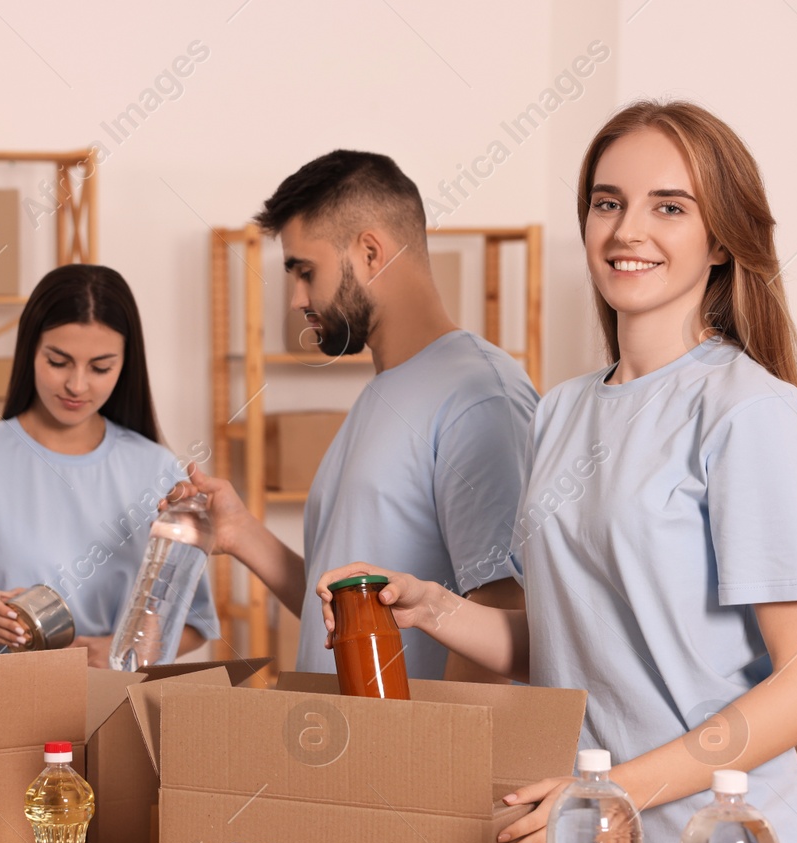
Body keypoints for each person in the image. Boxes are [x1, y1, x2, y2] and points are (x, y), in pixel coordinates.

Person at [317, 101, 797, 843]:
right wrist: (435, 606)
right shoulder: (561, 411)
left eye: (668, 207)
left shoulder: (747, 414)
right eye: (608, 202)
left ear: (722, 240)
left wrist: (621, 794)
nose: (628, 229)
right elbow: (568, 639)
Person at [184, 150, 538, 682]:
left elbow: (502, 611)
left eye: (306, 272)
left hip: (406, 760)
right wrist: (240, 535)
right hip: (344, 753)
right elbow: (347, 612)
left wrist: (441, 764)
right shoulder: (384, 391)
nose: (298, 298)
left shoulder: (479, 396)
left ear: (371, 252)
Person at [0, 264, 218, 661]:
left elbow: (194, 624)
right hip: (2, 709)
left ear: (126, 364)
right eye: (58, 362)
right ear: (30, 351)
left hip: (119, 706)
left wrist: (123, 649)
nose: (77, 385)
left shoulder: (158, 471)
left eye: (101, 367)